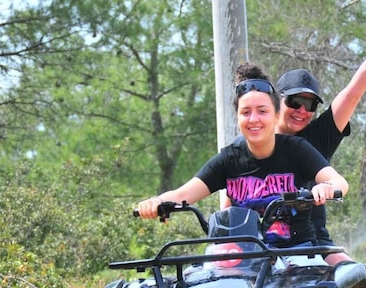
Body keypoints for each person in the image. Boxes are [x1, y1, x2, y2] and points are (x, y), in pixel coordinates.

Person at [136, 63, 349, 251]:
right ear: (237, 117)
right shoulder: (229, 159)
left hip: (297, 254)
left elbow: (339, 182)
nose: (254, 119)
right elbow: (184, 193)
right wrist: (157, 202)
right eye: (246, 112)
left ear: (275, 115)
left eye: (262, 111)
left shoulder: (297, 149)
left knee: (348, 279)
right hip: (246, 258)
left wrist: (326, 187)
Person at [274, 0, 366, 263]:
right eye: (295, 101)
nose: (302, 110)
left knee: (357, 282)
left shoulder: (317, 137)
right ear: (276, 100)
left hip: (314, 244)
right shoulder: (257, 144)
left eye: (310, 104)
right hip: (264, 248)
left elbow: (353, 93)